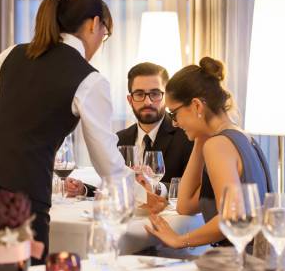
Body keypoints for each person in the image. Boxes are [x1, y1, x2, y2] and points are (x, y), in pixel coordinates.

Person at [0, 0, 147, 271]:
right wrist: (143, 196)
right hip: (23, 210)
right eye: (104, 34)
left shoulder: (11, 56)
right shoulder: (89, 81)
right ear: (93, 24)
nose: (100, 42)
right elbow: (106, 161)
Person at [144, 57, 273, 249]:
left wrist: (180, 240)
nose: (174, 123)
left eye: (174, 113)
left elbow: (232, 216)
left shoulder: (218, 145)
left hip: (236, 261)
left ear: (196, 106)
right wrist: (199, 139)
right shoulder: (240, 137)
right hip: (258, 258)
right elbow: (185, 205)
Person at [65, 62, 193, 197]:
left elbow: (194, 190)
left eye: (155, 94)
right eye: (139, 94)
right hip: (128, 216)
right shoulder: (119, 139)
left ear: (166, 98)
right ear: (130, 100)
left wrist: (157, 187)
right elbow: (114, 185)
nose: (147, 102)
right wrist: (84, 190)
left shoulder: (186, 136)